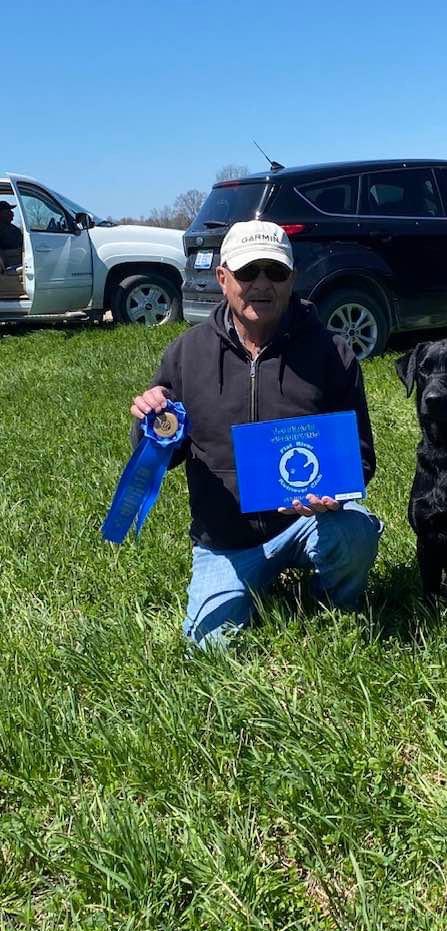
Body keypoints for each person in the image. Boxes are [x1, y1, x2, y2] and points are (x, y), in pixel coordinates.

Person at [130, 221, 382, 649]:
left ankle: (332, 611)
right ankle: (247, 581)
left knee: (355, 533)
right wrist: (148, 421)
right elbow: (163, 453)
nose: (261, 284)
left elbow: (359, 455)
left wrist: (335, 493)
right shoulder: (186, 353)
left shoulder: (332, 351)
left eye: (275, 272)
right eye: (248, 272)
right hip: (228, 538)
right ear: (223, 277)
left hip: (308, 520)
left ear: (292, 278)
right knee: (208, 645)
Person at [0, 200, 23, 273]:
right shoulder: (3, 229)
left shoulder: (15, 229)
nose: (12, 213)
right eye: (8, 211)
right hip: (9, 265)